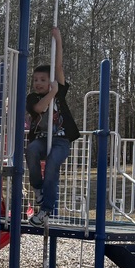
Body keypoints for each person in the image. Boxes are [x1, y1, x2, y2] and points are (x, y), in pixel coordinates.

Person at [25, 27, 80, 227]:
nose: (38, 83)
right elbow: (40, 108)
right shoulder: (33, 98)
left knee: (51, 166)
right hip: (40, 139)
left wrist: (58, 39)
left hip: (61, 140)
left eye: (43, 80)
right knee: (30, 150)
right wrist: (52, 92)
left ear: (51, 81)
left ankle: (46, 209)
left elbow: (58, 67)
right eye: (35, 80)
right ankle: (37, 187)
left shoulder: (60, 92)